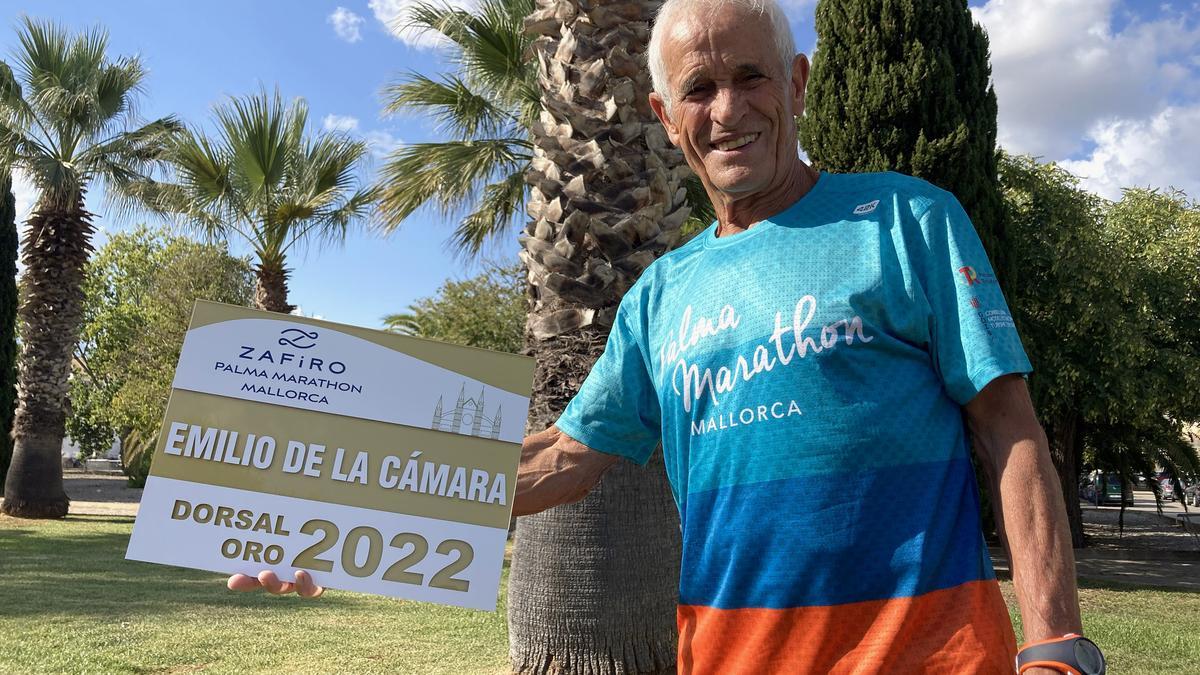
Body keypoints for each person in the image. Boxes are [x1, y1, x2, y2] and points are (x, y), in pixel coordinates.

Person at [231, 0, 1102, 672]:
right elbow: (562, 457)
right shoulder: (662, 293)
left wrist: (1057, 640)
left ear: (796, 84)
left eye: (752, 78)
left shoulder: (910, 220)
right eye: (699, 88)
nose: (728, 109)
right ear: (663, 111)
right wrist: (337, 516)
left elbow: (1009, 427)